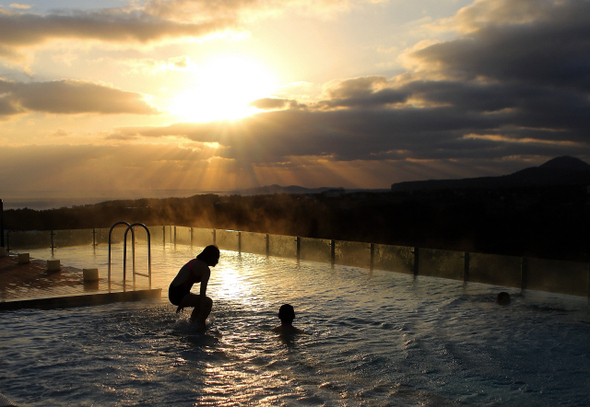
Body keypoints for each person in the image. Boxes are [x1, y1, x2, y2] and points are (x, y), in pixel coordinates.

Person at [169, 245, 220, 327]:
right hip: (179, 294)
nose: (217, 261)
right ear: (211, 257)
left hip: (173, 291)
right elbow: (202, 291)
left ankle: (193, 323)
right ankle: (199, 325)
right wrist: (203, 310)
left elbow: (183, 281)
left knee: (201, 301)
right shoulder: (205, 269)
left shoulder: (194, 261)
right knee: (207, 302)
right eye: (217, 257)